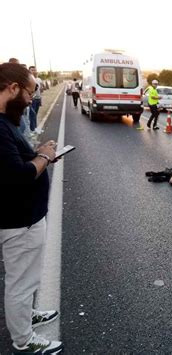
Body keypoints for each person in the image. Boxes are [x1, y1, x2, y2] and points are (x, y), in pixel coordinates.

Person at [0, 63, 64, 354]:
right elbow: (18, 175)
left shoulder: (6, 122)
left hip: (24, 218)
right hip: (18, 220)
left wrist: (39, 153)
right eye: (29, 91)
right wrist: (46, 158)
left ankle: (25, 318)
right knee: (21, 284)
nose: (31, 99)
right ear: (12, 89)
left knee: (26, 280)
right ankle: (23, 339)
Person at [28, 66, 42, 132]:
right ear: (29, 71)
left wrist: (40, 99)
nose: (34, 71)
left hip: (38, 99)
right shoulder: (29, 79)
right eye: (32, 70)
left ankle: (35, 128)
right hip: (33, 99)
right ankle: (33, 130)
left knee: (35, 115)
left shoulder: (39, 79)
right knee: (32, 115)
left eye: (35, 70)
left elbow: (40, 90)